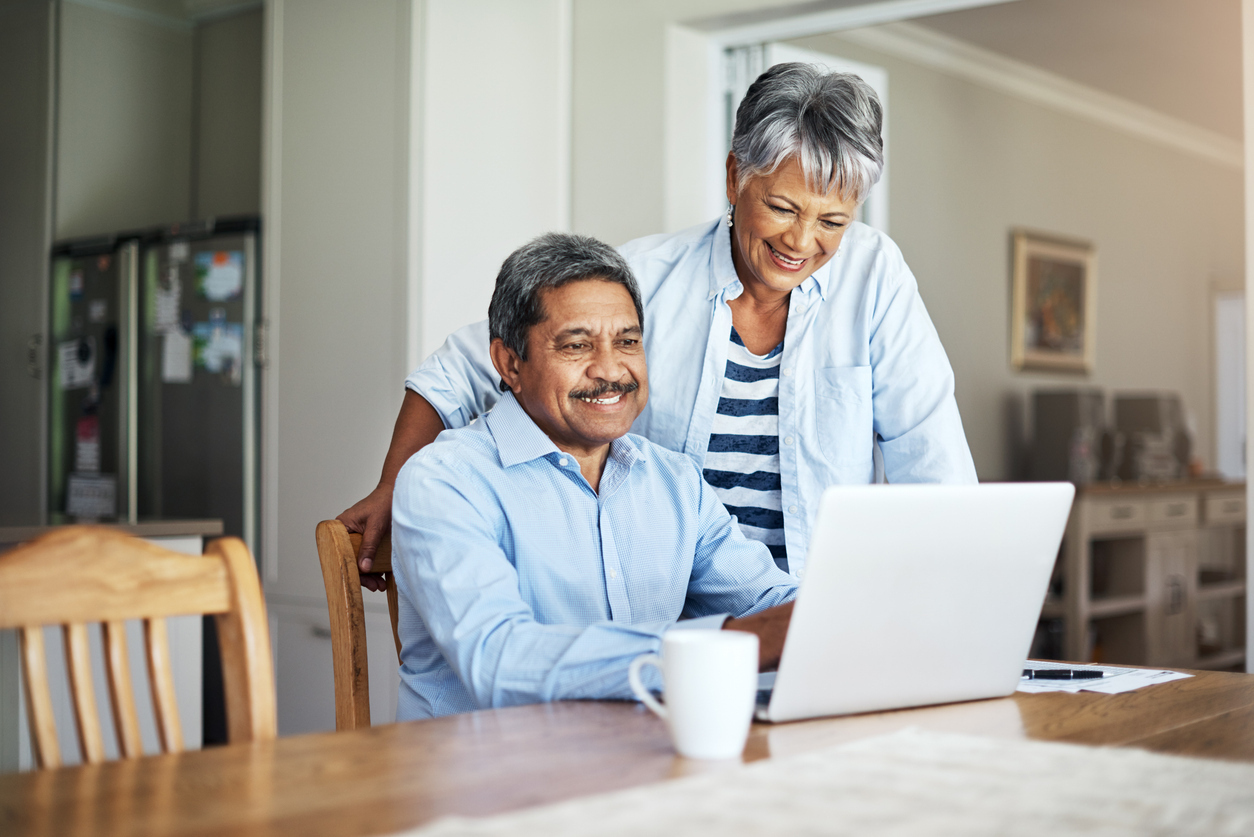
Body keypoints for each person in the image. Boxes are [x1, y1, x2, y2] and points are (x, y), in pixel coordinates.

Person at [344, 63, 976, 591]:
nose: (802, 241)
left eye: (833, 222)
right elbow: (459, 369)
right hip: (663, 616)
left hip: (809, 614)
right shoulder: (645, 276)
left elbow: (934, 464)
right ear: (735, 178)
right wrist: (398, 489)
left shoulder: (874, 277)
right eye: (782, 208)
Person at [392, 233, 796, 719]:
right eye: (577, 345)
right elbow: (499, 662)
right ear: (509, 363)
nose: (610, 370)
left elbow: (770, 601)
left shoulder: (675, 481)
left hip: (646, 769)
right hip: (490, 783)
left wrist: (845, 611)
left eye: (627, 341)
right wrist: (732, 642)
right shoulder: (444, 481)